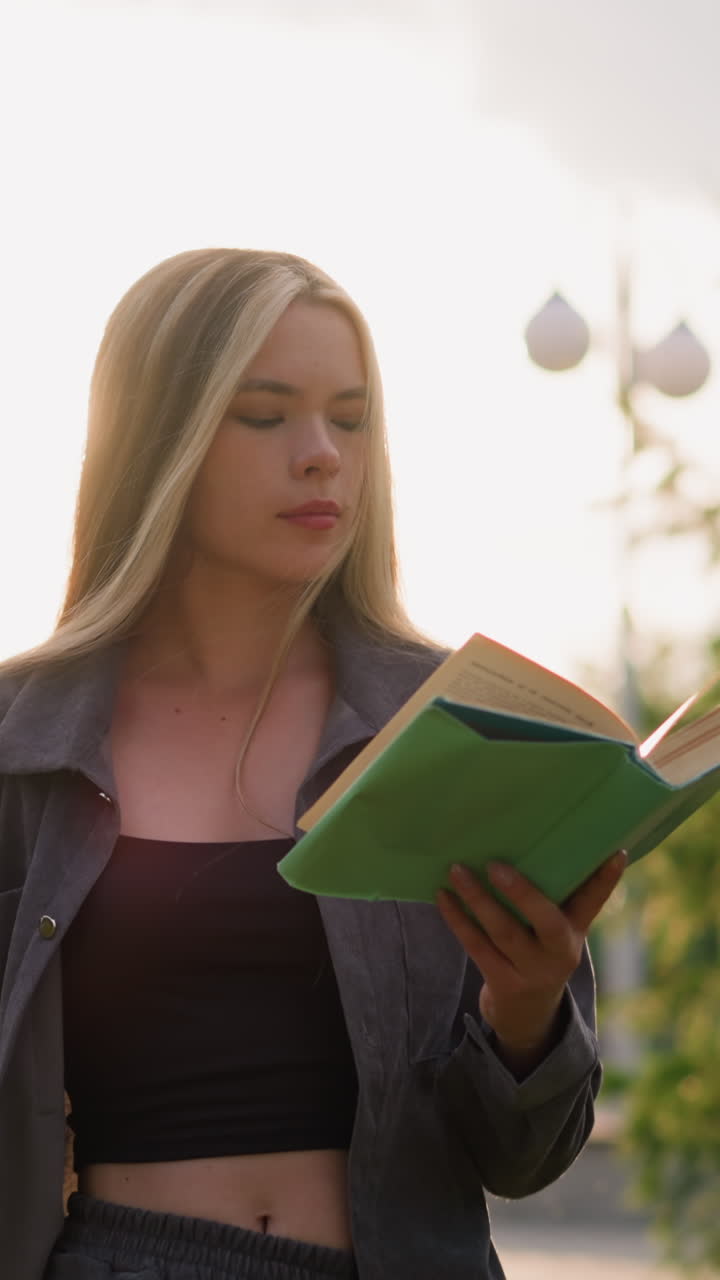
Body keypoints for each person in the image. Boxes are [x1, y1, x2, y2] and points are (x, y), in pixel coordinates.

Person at [0, 248, 626, 1280]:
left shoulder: (455, 725)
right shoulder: (24, 740)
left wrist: (526, 1009)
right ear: (160, 432)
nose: (322, 454)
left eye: (350, 416)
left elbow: (527, 1157)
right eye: (266, 412)